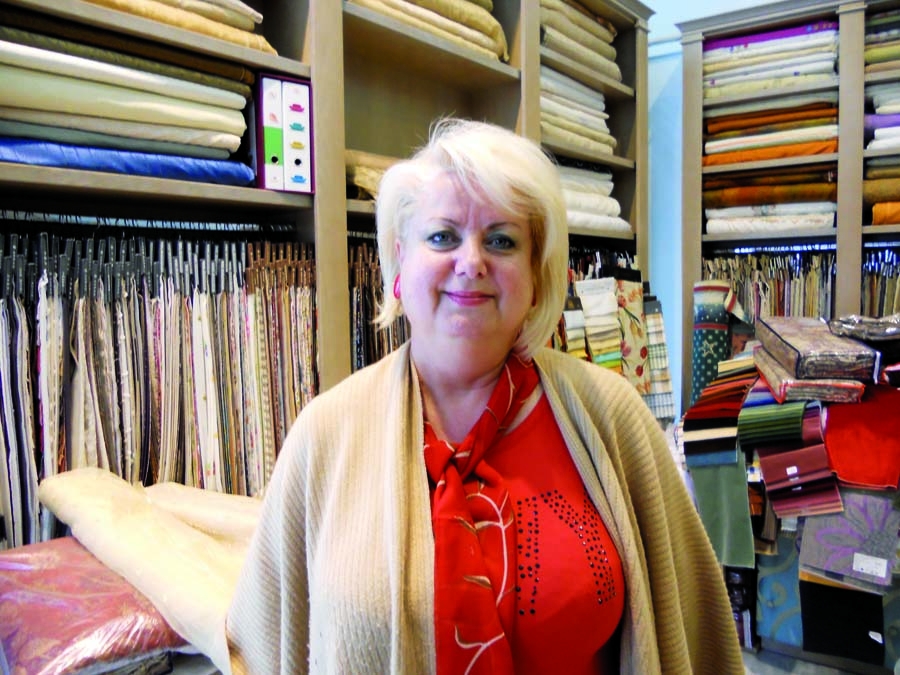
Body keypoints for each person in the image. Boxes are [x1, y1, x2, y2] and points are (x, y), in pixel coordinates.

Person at [224, 118, 743, 674]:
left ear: (536, 276)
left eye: (501, 240)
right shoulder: (326, 434)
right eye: (442, 237)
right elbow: (261, 638)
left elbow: (693, 624)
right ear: (399, 265)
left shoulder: (610, 417)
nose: (471, 262)